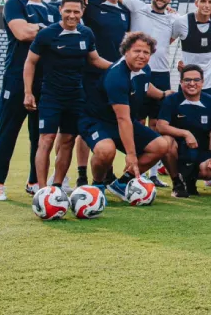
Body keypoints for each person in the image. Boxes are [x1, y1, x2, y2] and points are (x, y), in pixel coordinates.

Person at [22, 0, 110, 190]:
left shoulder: (86, 33)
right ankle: (43, 190)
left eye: (76, 11)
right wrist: (28, 92)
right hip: (51, 96)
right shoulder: (46, 34)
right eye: (68, 11)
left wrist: (120, 66)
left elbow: (95, 60)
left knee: (68, 140)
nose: (72, 15)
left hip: (76, 96)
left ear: (82, 12)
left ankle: (57, 186)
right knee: (46, 139)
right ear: (60, 10)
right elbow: (30, 62)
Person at [78, 32, 181, 200]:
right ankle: (98, 186)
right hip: (97, 121)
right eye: (137, 51)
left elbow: (146, 87)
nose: (141, 55)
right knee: (106, 151)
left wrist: (163, 94)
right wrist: (131, 155)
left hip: (121, 121)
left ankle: (122, 183)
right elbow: (123, 119)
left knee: (161, 146)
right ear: (126, 52)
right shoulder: (116, 76)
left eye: (146, 52)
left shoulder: (144, 68)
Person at [0, 0, 53, 200]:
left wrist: (39, 27)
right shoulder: (14, 3)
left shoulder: (51, 9)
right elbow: (22, 33)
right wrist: (46, 29)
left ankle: (33, 181)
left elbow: (57, 31)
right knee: (8, 132)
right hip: (16, 79)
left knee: (39, 137)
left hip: (43, 82)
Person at [75, 0, 133, 190]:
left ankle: (107, 173)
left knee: (109, 124)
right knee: (87, 126)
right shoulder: (90, 4)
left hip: (114, 76)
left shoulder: (124, 11)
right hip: (91, 75)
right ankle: (81, 174)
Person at [117, 0, 177, 186]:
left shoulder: (173, 19)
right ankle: (136, 171)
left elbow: (169, 39)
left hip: (162, 73)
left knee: (156, 124)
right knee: (138, 122)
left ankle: (152, 173)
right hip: (139, 72)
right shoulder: (136, 7)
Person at [157, 65, 211, 196]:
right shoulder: (172, 100)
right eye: (187, 80)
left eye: (196, 80)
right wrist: (185, 133)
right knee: (166, 141)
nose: (192, 83)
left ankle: (190, 181)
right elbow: (161, 126)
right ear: (181, 82)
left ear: (202, 82)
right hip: (177, 151)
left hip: (200, 150)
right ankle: (177, 183)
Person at [173, 0, 211, 96]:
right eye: (203, 1)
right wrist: (177, 63)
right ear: (196, 3)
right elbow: (166, 43)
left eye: (210, 2)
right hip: (188, 83)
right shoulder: (182, 22)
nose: (207, 5)